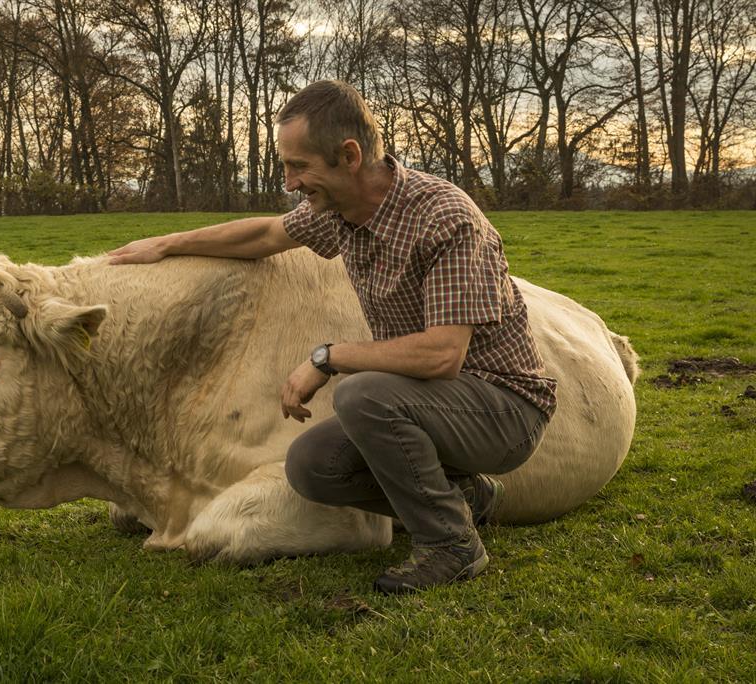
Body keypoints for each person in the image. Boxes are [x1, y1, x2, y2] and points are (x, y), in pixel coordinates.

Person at [107, 80, 556, 593]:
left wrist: (327, 358)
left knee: (362, 393)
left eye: (299, 166)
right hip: (433, 405)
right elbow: (267, 235)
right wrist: (167, 244)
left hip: (504, 408)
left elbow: (442, 355)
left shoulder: (444, 218)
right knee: (310, 466)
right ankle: (468, 499)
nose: (290, 182)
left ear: (349, 155)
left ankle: (451, 545)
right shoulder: (342, 213)